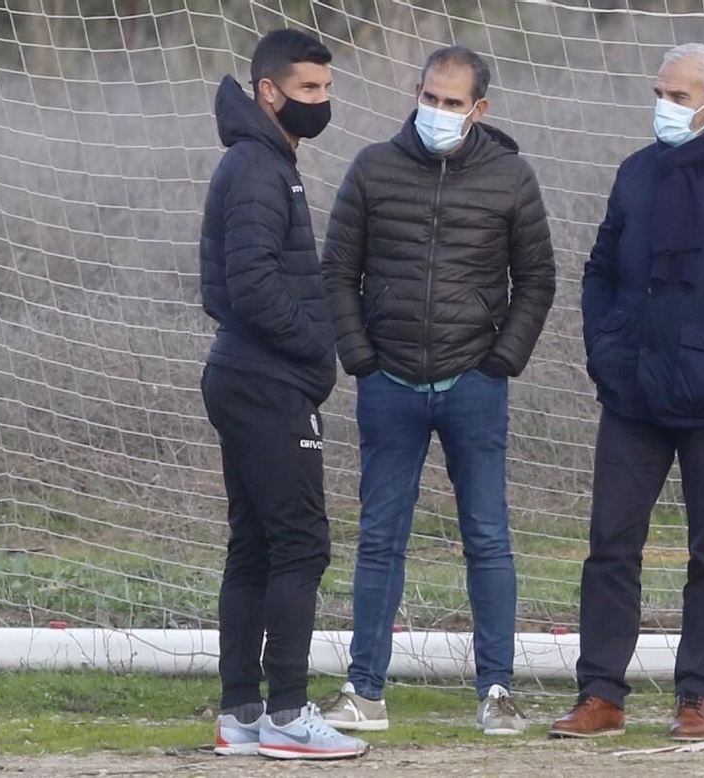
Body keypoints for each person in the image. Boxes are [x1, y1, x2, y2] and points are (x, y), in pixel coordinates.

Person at [547, 43, 704, 742]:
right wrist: (606, 351)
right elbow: (600, 270)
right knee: (610, 546)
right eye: (660, 92)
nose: (664, 105)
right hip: (631, 394)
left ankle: (697, 695)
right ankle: (601, 694)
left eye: (679, 96)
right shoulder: (637, 173)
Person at [321, 45, 556, 736]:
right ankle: (365, 690)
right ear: (414, 92)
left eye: (453, 103)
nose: (439, 112)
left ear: (479, 109)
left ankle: (497, 691)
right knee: (378, 539)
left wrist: (502, 361)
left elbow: (537, 279)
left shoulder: (511, 177)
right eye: (430, 97)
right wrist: (359, 357)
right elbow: (337, 269)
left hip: (473, 384)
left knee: (487, 538)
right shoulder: (373, 167)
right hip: (388, 383)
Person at [198, 28, 364, 760]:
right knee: (301, 543)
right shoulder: (260, 168)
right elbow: (249, 287)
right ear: (270, 92)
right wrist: (314, 348)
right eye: (307, 91)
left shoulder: (262, 160)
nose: (320, 103)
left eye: (326, 90)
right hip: (264, 382)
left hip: (244, 376)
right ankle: (289, 717)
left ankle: (240, 715)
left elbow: (223, 286)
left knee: (257, 546)